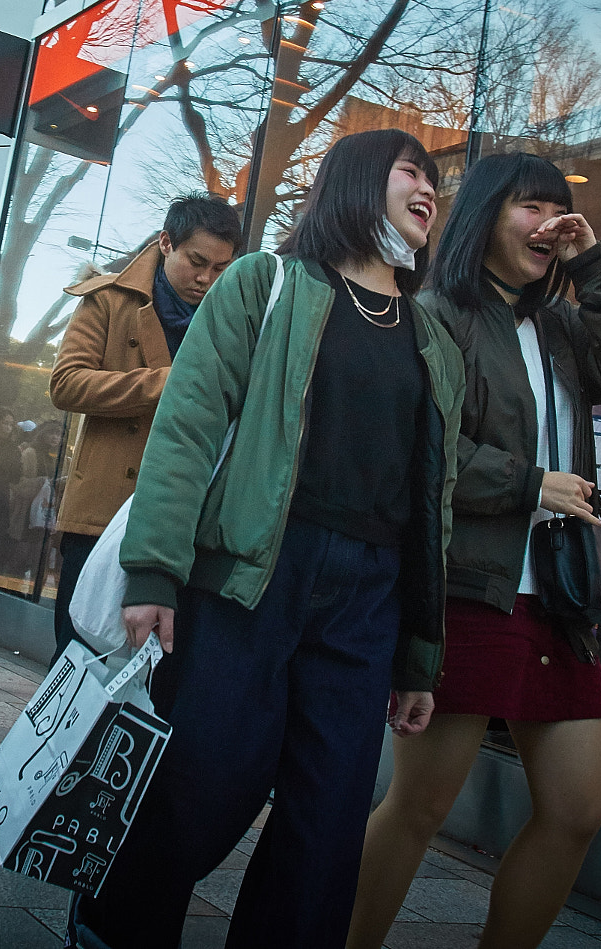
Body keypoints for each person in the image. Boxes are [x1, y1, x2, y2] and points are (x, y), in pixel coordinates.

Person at [69, 129, 464, 949]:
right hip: (252, 574)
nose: (429, 187)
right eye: (410, 170)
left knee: (328, 821)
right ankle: (117, 928)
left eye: (436, 179)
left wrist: (420, 651)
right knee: (202, 787)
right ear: (357, 180)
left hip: (369, 597)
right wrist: (154, 571)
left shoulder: (434, 341)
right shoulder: (267, 283)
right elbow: (187, 425)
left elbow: (434, 501)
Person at [349, 152, 601, 949]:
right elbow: (421, 453)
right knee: (419, 806)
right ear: (486, 213)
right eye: (530, 206)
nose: (547, 222)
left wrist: (593, 264)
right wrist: (528, 483)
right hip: (471, 591)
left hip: (559, 600)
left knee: (577, 810)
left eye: (559, 210)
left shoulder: (561, 323)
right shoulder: (438, 314)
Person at [47, 194, 244, 651]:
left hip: (182, 521)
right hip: (102, 512)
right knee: (78, 657)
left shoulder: (229, 323)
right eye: (197, 261)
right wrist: (167, 384)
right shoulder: (110, 300)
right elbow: (67, 384)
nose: (205, 279)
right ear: (165, 243)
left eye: (221, 269)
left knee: (158, 666)